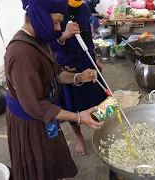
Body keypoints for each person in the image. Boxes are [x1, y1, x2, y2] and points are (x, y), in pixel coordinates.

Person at [5, 0, 104, 179]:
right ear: (39, 16)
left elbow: (56, 72)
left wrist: (78, 77)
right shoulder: (21, 53)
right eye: (56, 21)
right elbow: (34, 106)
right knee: (38, 164)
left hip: (44, 116)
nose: (59, 28)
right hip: (30, 122)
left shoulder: (39, 41)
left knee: (51, 158)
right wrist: (78, 117)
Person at [49, 0, 107, 156]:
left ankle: (102, 130)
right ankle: (79, 136)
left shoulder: (83, 6)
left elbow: (88, 37)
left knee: (99, 98)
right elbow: (48, 46)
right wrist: (64, 35)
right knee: (73, 104)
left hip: (87, 60)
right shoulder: (54, 8)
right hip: (67, 65)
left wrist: (95, 59)